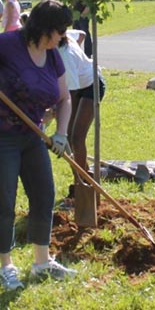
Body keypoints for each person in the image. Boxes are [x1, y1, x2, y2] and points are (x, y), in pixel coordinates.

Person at [0, 0, 76, 291]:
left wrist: (62, 133)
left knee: (44, 193)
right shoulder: (8, 44)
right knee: (4, 199)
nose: (63, 37)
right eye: (59, 30)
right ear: (45, 28)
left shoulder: (53, 54)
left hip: (32, 134)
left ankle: (41, 263)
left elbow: (64, 98)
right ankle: (7, 267)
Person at [58, 28, 105, 197]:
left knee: (76, 137)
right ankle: (85, 176)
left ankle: (81, 183)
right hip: (76, 85)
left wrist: (58, 121)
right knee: (70, 138)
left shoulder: (66, 56)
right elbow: (82, 34)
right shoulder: (65, 36)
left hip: (92, 85)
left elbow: (69, 95)